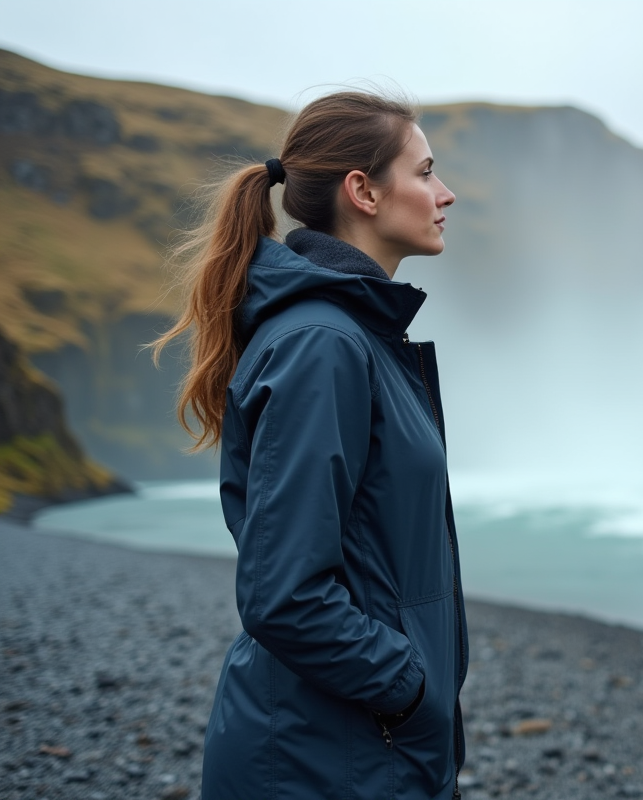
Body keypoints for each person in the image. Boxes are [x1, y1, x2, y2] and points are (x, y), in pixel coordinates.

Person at [152, 91, 468, 799]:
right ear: (363, 191)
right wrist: (411, 689)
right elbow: (284, 592)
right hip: (321, 760)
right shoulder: (323, 346)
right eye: (424, 172)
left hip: (360, 745)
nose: (445, 194)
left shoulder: (357, 338)